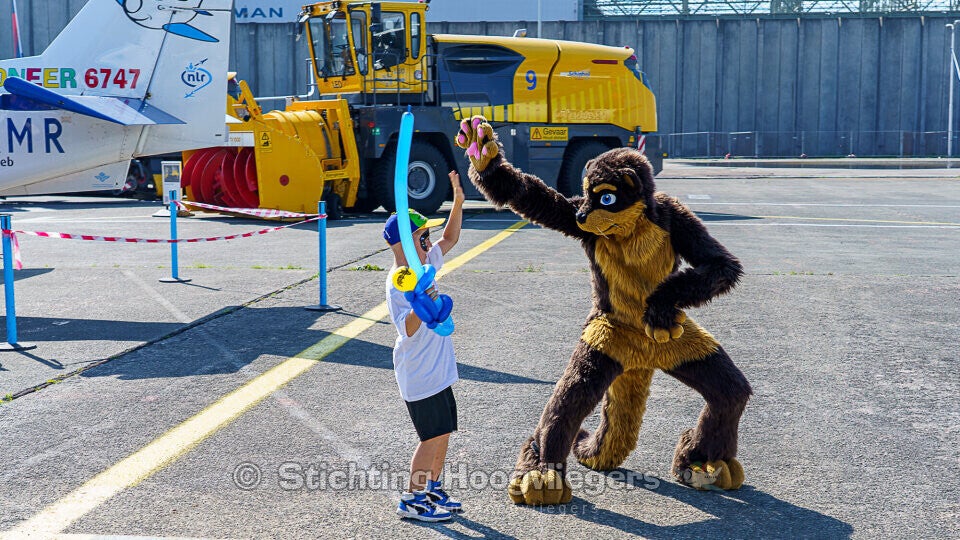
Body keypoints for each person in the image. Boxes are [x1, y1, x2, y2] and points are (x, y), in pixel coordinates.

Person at [384, 172, 465, 522]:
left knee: (444, 431)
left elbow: (450, 238)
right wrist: (420, 302)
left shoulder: (425, 263)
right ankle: (412, 499)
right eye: (422, 237)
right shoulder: (398, 281)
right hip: (418, 371)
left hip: (438, 368)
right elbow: (406, 328)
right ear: (404, 242)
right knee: (430, 436)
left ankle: (433, 487)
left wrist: (458, 201)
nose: (430, 242)